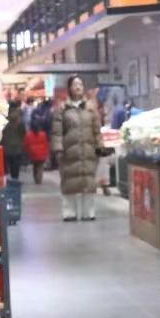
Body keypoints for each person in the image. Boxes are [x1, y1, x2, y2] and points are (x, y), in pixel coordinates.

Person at [51, 76, 103, 222]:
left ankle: (88, 212)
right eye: (75, 84)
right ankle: (69, 213)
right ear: (69, 88)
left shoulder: (91, 108)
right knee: (69, 182)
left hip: (88, 151)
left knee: (89, 181)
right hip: (69, 152)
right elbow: (57, 132)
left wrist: (100, 146)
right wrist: (58, 149)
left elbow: (97, 130)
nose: (78, 87)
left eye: (80, 84)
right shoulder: (62, 109)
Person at [0, 100, 26, 180]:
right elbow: (23, 133)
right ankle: (15, 178)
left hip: (6, 145)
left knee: (6, 163)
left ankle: (6, 178)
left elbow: (1, 132)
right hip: (17, 145)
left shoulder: (4, 119)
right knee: (15, 164)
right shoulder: (20, 120)